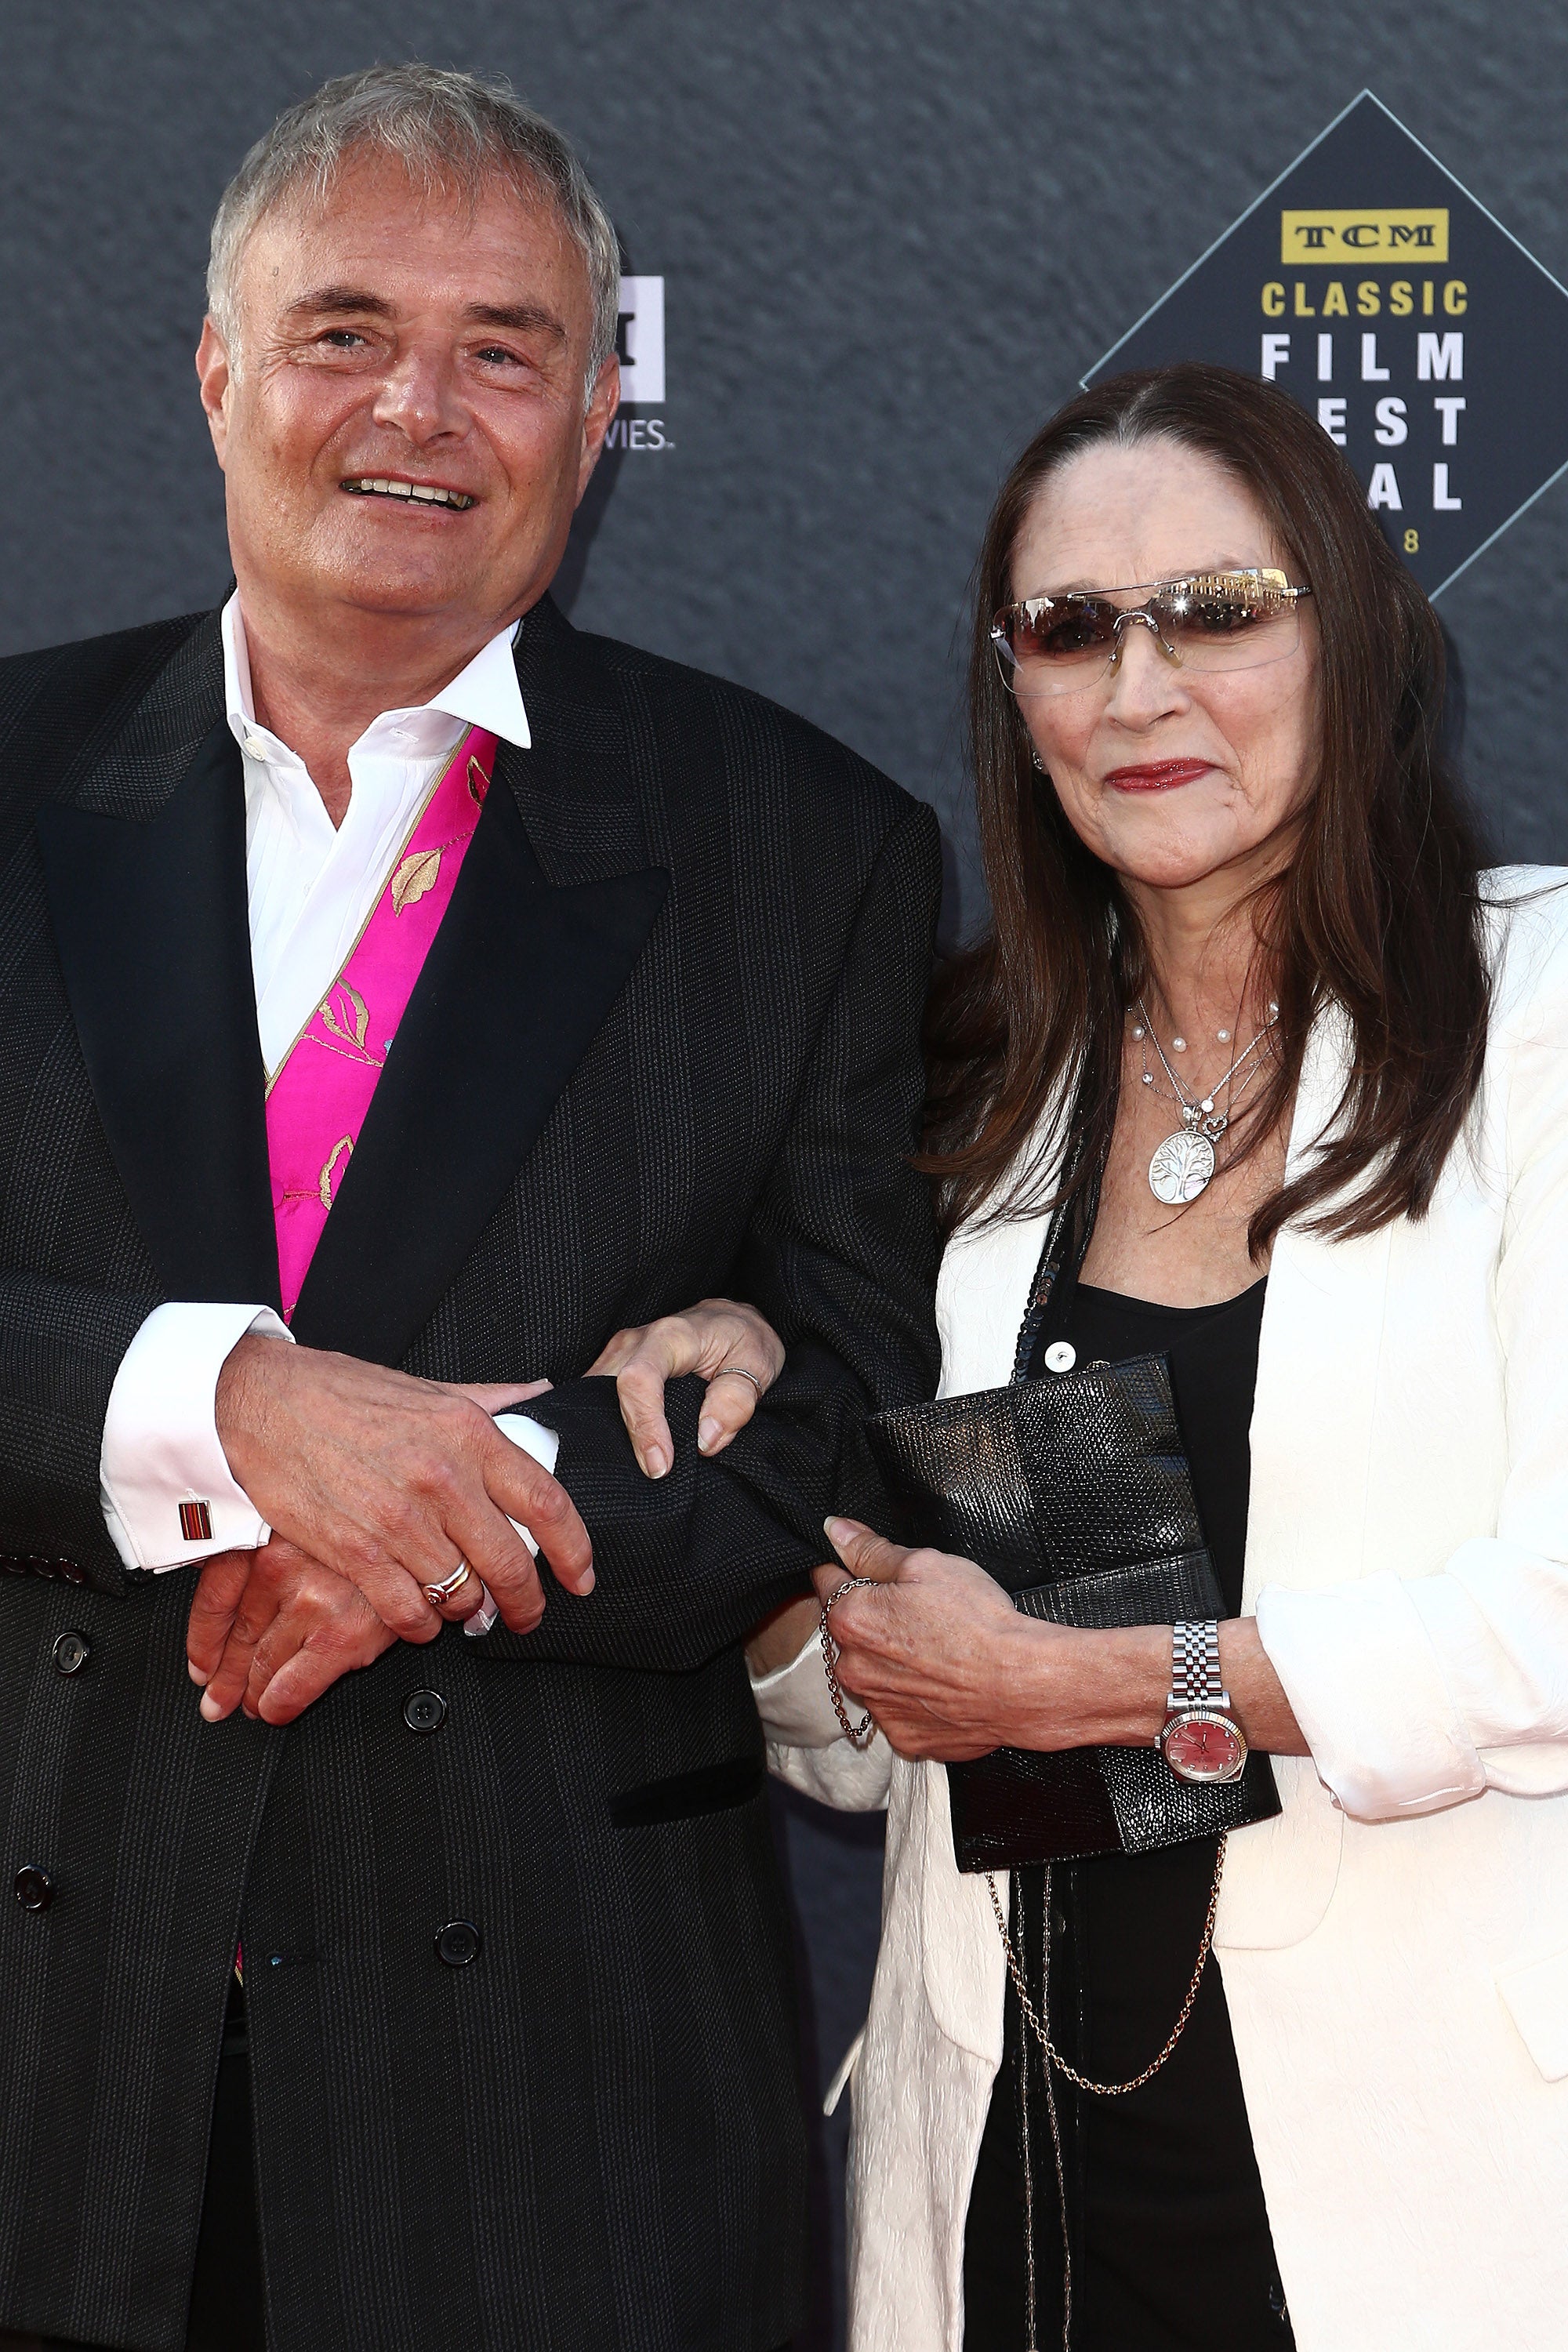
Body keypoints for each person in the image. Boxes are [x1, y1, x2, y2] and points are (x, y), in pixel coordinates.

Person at [0, 65, 941, 2352]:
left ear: (602, 410)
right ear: (217, 372)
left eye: (506, 345)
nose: (418, 407)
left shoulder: (807, 854)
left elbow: (850, 1424)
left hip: (548, 2115)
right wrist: (217, 1404)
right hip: (40, 2074)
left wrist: (458, 1501)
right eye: (341, 331)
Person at [720, 363, 1568, 2351]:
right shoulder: (975, 1094)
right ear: (1011, 695)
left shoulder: (1532, 1012)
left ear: (1347, 636)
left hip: (1429, 2181)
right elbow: (871, 1749)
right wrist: (760, 1518)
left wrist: (1089, 1687)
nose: (1139, 687)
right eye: (1071, 628)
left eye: (1217, 608)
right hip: (1017, 2156)